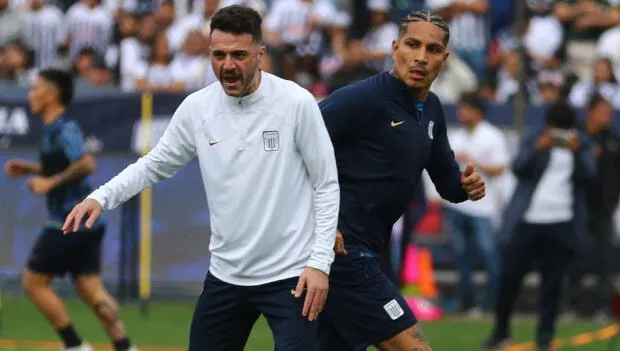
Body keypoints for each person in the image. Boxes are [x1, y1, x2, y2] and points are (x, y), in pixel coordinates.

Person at [62, 6, 340, 351]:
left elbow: (326, 183)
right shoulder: (198, 108)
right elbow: (154, 164)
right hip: (226, 276)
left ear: (260, 55)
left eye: (239, 54)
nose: (227, 65)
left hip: (292, 276)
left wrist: (319, 263)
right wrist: (99, 198)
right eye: (219, 54)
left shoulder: (296, 103)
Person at [318, 11, 486, 351]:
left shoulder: (433, 109)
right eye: (412, 45)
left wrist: (466, 187)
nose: (421, 57)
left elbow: (447, 182)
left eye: (433, 49)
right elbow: (296, 149)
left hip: (375, 251)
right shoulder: (361, 98)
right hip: (343, 252)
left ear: (445, 58)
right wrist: (319, 224)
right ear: (395, 49)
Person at [4, 69, 137, 351]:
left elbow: (86, 164)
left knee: (33, 282)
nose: (30, 94)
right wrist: (32, 169)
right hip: (86, 223)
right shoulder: (54, 129)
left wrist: (49, 182)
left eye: (35, 88)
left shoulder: (65, 128)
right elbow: (67, 165)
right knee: (91, 290)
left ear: (52, 95)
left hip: (70, 218)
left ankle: (74, 345)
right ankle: (125, 346)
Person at [483, 102, 595, 351]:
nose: (558, 136)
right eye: (555, 129)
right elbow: (518, 168)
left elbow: (589, 177)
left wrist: (576, 152)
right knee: (510, 278)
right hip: (527, 220)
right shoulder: (535, 136)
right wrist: (537, 149)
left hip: (562, 221)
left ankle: (545, 337)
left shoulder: (581, 142)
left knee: (552, 284)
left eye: (562, 130)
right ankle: (501, 332)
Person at [443, 92, 508, 318]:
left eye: (466, 109)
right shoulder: (456, 136)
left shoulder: (492, 136)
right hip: (457, 205)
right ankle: (467, 301)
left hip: (483, 207)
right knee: (461, 256)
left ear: (478, 112)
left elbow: (500, 168)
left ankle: (492, 303)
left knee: (489, 254)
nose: (461, 113)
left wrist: (475, 162)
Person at [567, 94, 620, 320]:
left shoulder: (614, 138)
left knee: (605, 258)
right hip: (580, 204)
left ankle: (603, 306)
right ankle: (573, 304)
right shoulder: (577, 137)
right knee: (577, 254)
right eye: (604, 111)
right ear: (591, 113)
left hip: (604, 207)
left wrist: (614, 197)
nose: (608, 117)